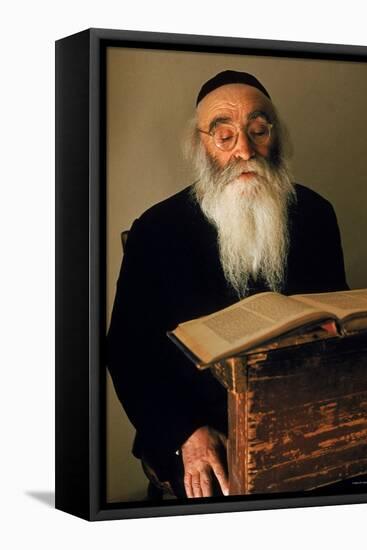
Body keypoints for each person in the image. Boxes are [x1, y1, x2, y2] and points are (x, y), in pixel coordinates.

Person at [107, 70, 348, 499]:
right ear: (202, 144)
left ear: (274, 136)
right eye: (224, 136)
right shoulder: (158, 229)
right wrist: (187, 433)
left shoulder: (315, 214)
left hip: (300, 414)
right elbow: (128, 352)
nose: (244, 150)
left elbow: (334, 313)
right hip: (200, 422)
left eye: (258, 130)